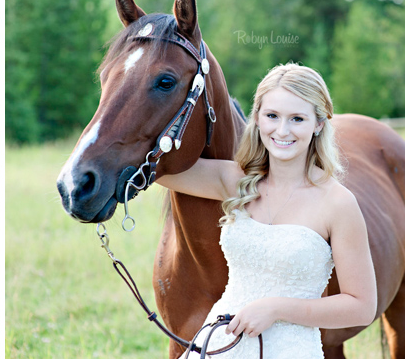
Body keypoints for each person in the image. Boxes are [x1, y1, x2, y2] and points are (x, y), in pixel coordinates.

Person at [157, 63, 377, 359]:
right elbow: (154, 169)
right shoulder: (234, 181)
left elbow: (362, 306)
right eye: (272, 116)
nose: (282, 131)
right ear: (257, 118)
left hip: (290, 349)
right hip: (222, 343)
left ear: (319, 124)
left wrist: (275, 309)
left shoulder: (337, 203)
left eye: (297, 118)